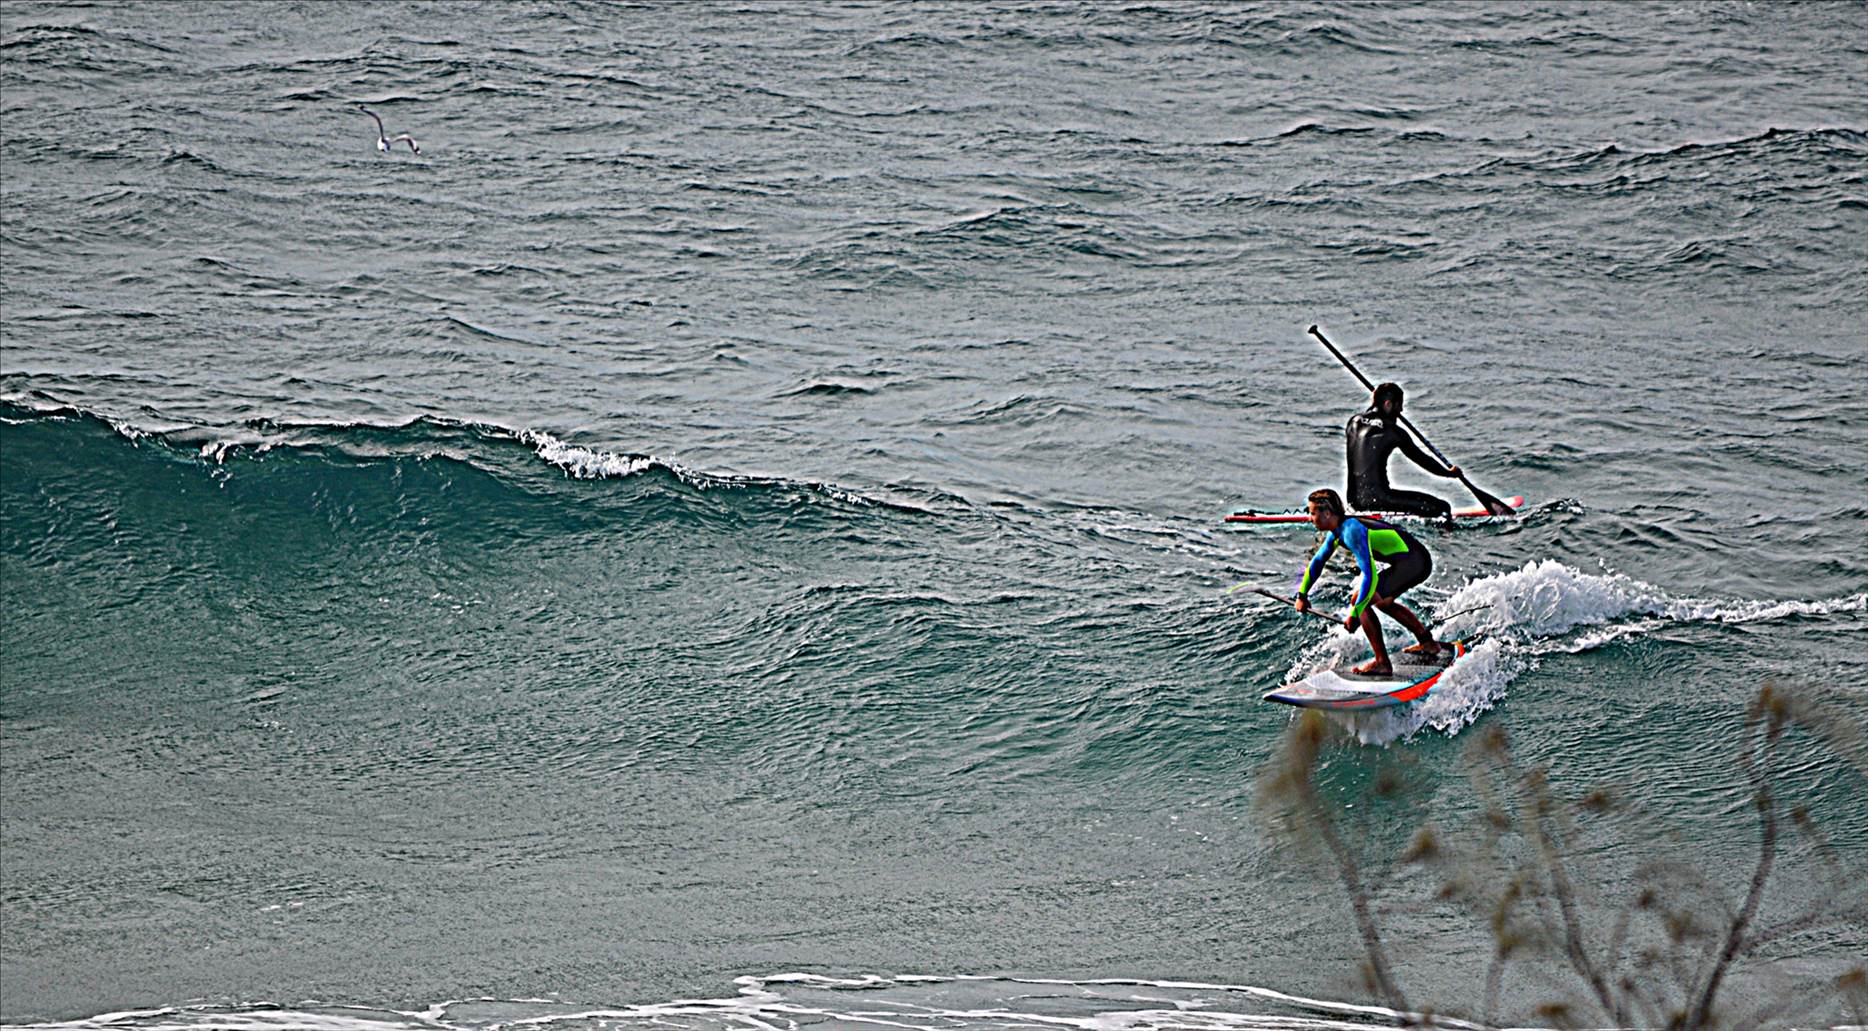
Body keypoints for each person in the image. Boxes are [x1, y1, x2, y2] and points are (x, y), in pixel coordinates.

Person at [1293, 488, 1442, 676]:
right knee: (1381, 602)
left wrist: (1355, 614)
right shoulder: (1337, 532)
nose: (1310, 518)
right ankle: (1427, 642)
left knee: (1360, 602)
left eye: (1313, 513)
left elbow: (1370, 575)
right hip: (1406, 561)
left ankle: (1382, 663)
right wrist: (1302, 595)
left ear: (1327, 513)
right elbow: (1317, 562)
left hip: (1415, 561)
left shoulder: (1352, 531)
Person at [1347, 382, 1461, 522]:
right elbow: (1423, 460)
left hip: (1354, 503)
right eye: (1399, 406)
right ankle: (1445, 540)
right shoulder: (1395, 432)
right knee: (1443, 507)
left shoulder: (1353, 422)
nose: (1400, 411)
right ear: (1388, 404)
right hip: (1379, 500)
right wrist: (1449, 473)